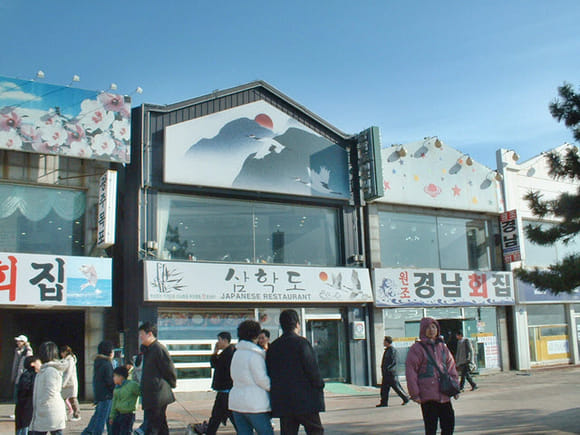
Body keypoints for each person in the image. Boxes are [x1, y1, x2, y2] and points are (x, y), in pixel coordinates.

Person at [266, 309, 325, 435]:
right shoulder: (302, 343)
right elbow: (312, 369)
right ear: (297, 324)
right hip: (305, 399)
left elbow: (269, 371)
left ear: (281, 325)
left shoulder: (274, 346)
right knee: (315, 430)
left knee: (288, 432)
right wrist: (319, 385)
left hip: (283, 400)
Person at [406, 318, 459, 435]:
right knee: (431, 429)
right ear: (423, 330)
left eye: (434, 327)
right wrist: (415, 394)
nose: (431, 330)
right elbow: (411, 373)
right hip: (428, 396)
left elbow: (451, 368)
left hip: (444, 394)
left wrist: (455, 387)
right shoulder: (416, 349)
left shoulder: (442, 347)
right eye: (428, 327)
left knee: (449, 425)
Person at [229, 320, 273, 435]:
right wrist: (273, 387)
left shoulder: (237, 353)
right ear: (256, 335)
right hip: (255, 404)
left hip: (236, 402)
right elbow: (262, 380)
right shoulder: (255, 355)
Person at [139, 321, 177, 435]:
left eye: (142, 334)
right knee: (160, 425)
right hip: (151, 394)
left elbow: (169, 369)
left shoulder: (158, 348)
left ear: (150, 334)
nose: (140, 337)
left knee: (153, 426)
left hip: (158, 393)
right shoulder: (148, 349)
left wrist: (172, 383)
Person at [195, 332, 237, 435]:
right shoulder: (224, 353)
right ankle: (210, 431)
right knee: (217, 416)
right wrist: (215, 352)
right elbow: (214, 364)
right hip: (223, 390)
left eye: (219, 340)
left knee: (224, 415)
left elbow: (220, 367)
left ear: (225, 340)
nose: (218, 342)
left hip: (226, 390)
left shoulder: (230, 353)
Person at [29, 341, 67, 435]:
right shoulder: (44, 370)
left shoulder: (50, 371)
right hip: (45, 412)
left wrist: (41, 402)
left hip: (50, 411)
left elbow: (50, 392)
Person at [81, 340, 115, 435]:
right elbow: (109, 381)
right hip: (107, 395)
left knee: (103, 417)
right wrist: (115, 386)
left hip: (100, 394)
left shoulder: (98, 362)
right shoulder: (107, 364)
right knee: (101, 419)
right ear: (109, 352)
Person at [377, 336, 409, 407]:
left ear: (387, 342)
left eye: (384, 341)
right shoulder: (388, 350)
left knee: (396, 387)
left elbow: (393, 362)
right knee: (384, 389)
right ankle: (384, 402)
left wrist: (389, 369)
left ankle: (405, 397)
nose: (383, 343)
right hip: (387, 374)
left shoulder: (392, 350)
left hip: (391, 374)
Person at [108, 366, 141, 435]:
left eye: (115, 376)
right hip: (118, 413)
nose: (113, 378)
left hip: (128, 414)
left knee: (125, 432)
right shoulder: (116, 388)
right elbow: (114, 403)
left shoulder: (132, 385)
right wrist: (112, 416)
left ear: (121, 377)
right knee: (115, 431)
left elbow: (141, 392)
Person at [15, 355, 41, 435]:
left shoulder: (29, 375)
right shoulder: (29, 376)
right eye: (39, 362)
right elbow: (26, 392)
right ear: (32, 364)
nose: (41, 364)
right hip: (26, 411)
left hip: (26, 411)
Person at [60, 345, 81, 421]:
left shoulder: (70, 360)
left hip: (70, 382)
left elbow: (68, 373)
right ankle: (63, 415)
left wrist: (63, 383)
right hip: (67, 382)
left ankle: (77, 415)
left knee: (73, 399)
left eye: (62, 352)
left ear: (65, 352)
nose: (61, 354)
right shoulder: (65, 360)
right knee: (63, 398)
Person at [12, 335, 33, 401]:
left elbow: (29, 363)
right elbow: (15, 365)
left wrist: (28, 347)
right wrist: (13, 377)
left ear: (24, 342)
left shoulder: (28, 351)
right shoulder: (17, 351)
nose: (17, 343)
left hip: (24, 378)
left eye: (19, 341)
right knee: (16, 398)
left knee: (21, 399)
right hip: (17, 378)